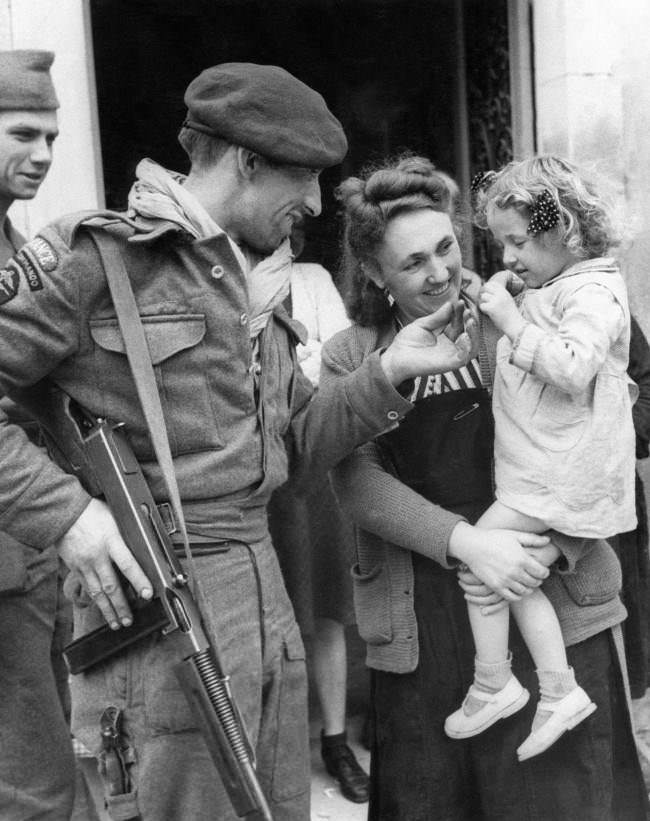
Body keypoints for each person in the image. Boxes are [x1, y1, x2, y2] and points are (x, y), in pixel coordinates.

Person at [0, 64, 478, 821]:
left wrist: (389, 370)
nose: (316, 204)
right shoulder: (97, 260)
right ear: (247, 162)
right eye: (305, 179)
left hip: (265, 597)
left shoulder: (254, 284)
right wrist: (65, 515)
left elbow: (297, 449)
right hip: (158, 613)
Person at [321, 154, 648, 820]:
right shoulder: (352, 356)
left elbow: (623, 411)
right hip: (427, 618)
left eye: (446, 247)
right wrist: (470, 544)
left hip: (545, 590)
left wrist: (556, 539)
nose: (440, 271)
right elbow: (355, 479)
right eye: (412, 264)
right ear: (376, 274)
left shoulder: (539, 304)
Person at [444, 156, 637, 761]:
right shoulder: (554, 288)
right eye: (501, 242)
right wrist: (497, 305)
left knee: (481, 562)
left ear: (566, 229)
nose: (507, 257)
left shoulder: (596, 291)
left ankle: (495, 682)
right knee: (508, 568)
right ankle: (555, 691)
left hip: (562, 477)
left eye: (518, 241)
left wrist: (509, 318)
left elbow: (574, 365)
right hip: (540, 474)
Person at [267, 224, 369, 803]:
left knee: (326, 604)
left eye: (286, 235)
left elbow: (337, 366)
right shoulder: (219, 285)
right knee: (270, 613)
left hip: (313, 468)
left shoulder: (311, 281)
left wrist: (295, 373)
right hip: (255, 478)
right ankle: (273, 748)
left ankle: (335, 740)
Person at [0, 50, 75, 821]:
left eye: (52, 135)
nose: (44, 155)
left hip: (33, 553)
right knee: (32, 787)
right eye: (24, 132)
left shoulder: (16, 240)